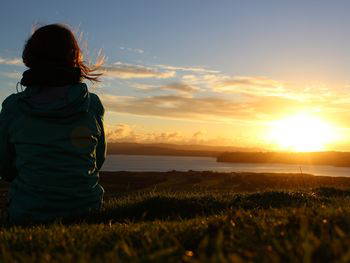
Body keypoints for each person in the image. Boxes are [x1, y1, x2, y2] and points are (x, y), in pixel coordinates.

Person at [0, 24, 106, 224]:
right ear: (73, 57)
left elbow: (5, 167)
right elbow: (97, 160)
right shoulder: (91, 105)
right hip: (87, 212)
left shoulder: (14, 107)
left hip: (27, 214)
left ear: (29, 58)